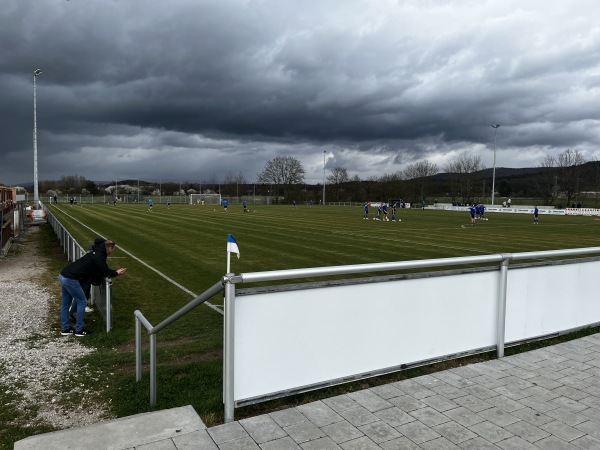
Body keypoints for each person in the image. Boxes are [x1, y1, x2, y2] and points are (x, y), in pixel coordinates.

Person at [59, 238, 126, 336]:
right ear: (109, 249)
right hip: (71, 279)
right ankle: (79, 329)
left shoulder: (96, 251)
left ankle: (65, 329)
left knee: (65, 304)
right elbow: (105, 271)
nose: (112, 251)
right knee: (82, 302)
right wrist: (116, 272)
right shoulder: (99, 256)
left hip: (63, 275)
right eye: (113, 249)